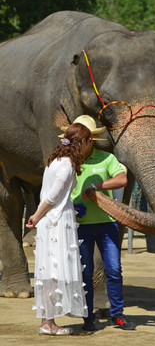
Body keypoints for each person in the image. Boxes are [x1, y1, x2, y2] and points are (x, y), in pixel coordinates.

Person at [68, 115, 136, 331]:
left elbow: (122, 179)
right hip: (80, 225)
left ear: (91, 140)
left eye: (82, 140)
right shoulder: (68, 161)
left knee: (114, 269)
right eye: (74, 141)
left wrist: (97, 185)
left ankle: (118, 315)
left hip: (107, 223)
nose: (78, 145)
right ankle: (87, 318)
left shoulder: (106, 158)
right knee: (85, 272)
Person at [26, 123, 90, 335]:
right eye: (87, 141)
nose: (89, 145)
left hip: (51, 220)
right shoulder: (67, 165)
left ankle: (47, 321)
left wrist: (38, 215)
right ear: (80, 142)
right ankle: (48, 323)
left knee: (49, 271)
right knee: (54, 272)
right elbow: (52, 197)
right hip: (57, 222)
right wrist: (36, 215)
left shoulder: (54, 161)